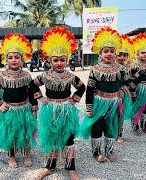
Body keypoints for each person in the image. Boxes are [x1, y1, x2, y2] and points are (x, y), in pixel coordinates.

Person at [32, 26, 85, 180]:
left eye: (62, 60)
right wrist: (40, 98)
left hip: (67, 111)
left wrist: (73, 100)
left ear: (67, 60)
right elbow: (32, 85)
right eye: (56, 60)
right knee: (51, 138)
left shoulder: (71, 76)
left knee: (68, 139)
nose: (59, 63)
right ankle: (49, 167)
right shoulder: (45, 76)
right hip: (50, 111)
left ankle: (71, 168)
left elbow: (82, 87)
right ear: (50, 61)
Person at [79, 27, 133, 162]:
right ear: (100, 53)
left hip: (114, 103)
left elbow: (128, 82)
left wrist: (123, 90)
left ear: (115, 53)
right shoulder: (95, 69)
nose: (109, 54)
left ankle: (109, 151)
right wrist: (89, 107)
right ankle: (96, 153)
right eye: (105, 51)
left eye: (112, 51)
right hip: (98, 101)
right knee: (97, 126)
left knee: (112, 126)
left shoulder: (120, 69)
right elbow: (90, 89)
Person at [0, 33, 39, 168]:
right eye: (10, 57)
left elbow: (32, 92)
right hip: (9, 110)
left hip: (24, 108)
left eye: (17, 57)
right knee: (10, 134)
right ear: (5, 60)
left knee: (25, 132)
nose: (14, 60)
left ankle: (26, 154)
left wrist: (34, 106)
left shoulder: (26, 75)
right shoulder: (2, 75)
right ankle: (11, 156)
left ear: (22, 60)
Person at [116, 34, 134, 144]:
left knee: (120, 115)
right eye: (119, 55)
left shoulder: (127, 68)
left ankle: (119, 135)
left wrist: (130, 91)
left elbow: (129, 81)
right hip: (110, 95)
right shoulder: (109, 67)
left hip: (123, 95)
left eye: (124, 55)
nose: (122, 58)